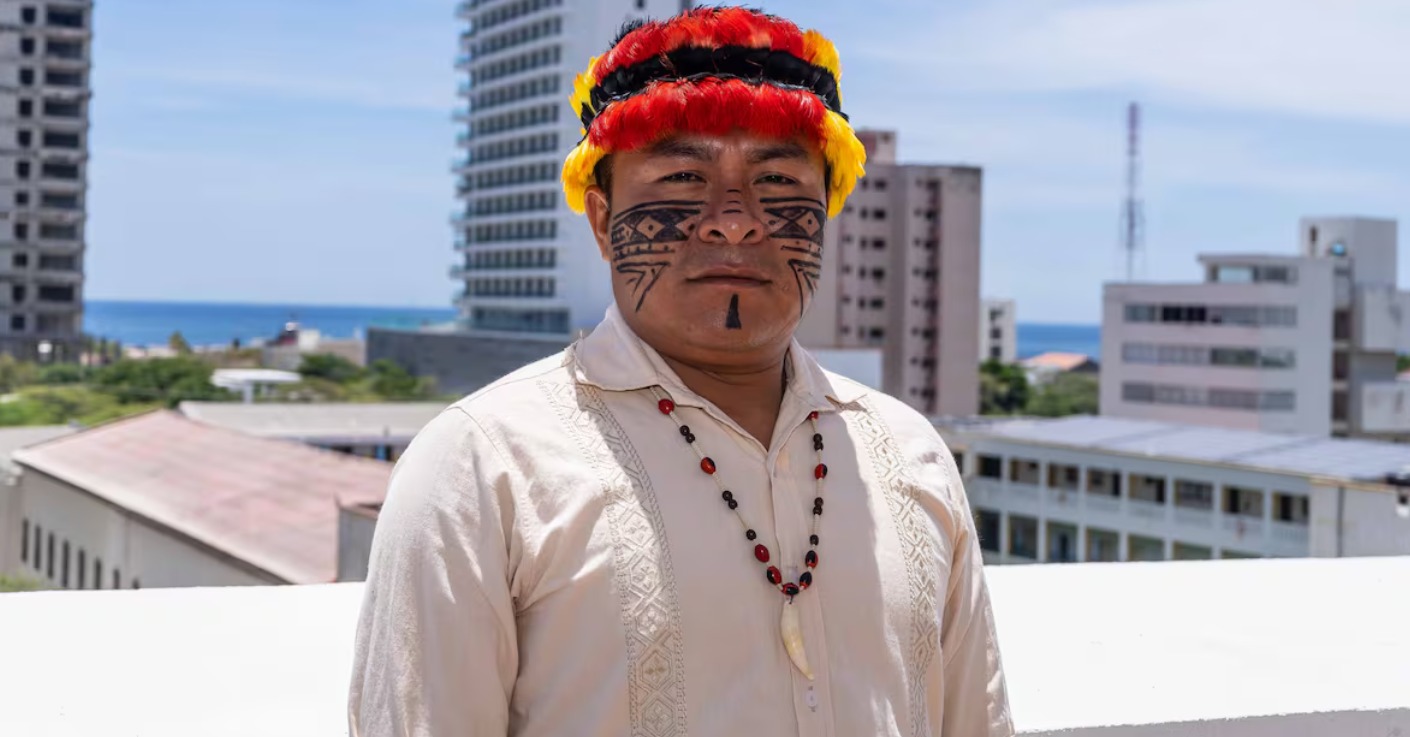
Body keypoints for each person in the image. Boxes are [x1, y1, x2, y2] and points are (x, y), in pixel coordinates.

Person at [348, 7, 1013, 736]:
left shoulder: (910, 452)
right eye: (683, 175)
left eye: (778, 179)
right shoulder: (482, 464)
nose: (734, 218)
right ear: (602, 221)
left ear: (827, 212)